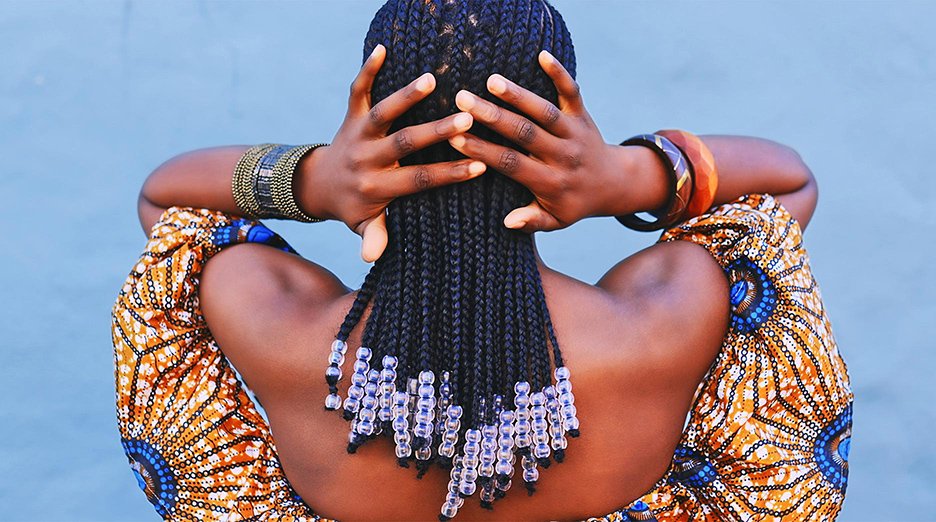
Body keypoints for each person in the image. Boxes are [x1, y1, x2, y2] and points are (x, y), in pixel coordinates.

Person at [111, 0, 853, 520]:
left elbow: (166, 203)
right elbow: (790, 182)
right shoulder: (662, 324)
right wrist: (626, 177)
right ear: (562, 131)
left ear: (369, 121)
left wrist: (315, 180)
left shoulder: (280, 332)